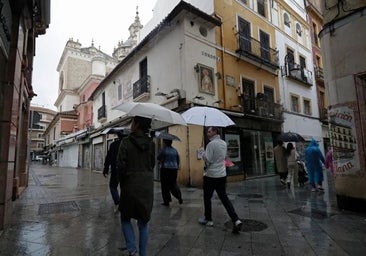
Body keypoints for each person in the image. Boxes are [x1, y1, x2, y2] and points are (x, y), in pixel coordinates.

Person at [116, 116, 155, 256]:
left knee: (125, 218)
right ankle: (143, 254)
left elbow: (120, 166)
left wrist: (122, 182)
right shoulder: (151, 143)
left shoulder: (126, 142)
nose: (131, 124)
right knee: (143, 222)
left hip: (130, 185)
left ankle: (132, 250)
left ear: (137, 124)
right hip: (146, 186)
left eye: (132, 122)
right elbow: (152, 164)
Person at [198, 126, 242, 234]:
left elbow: (209, 160)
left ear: (214, 132)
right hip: (222, 175)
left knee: (207, 197)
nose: (207, 133)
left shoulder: (210, 144)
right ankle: (236, 219)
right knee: (224, 198)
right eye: (207, 131)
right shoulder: (223, 143)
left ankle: (209, 220)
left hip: (211, 175)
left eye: (209, 131)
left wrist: (202, 153)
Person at [103, 131, 125, 213]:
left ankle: (117, 202)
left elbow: (108, 157)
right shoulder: (129, 145)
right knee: (125, 187)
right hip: (127, 171)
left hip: (116, 170)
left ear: (118, 136)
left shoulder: (113, 145)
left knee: (112, 186)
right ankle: (124, 204)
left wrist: (105, 169)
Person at [157, 139, 183, 206]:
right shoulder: (175, 150)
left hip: (165, 169)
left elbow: (159, 158)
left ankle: (167, 201)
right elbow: (178, 160)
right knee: (173, 184)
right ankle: (179, 196)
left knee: (165, 185)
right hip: (174, 169)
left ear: (165, 142)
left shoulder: (164, 150)